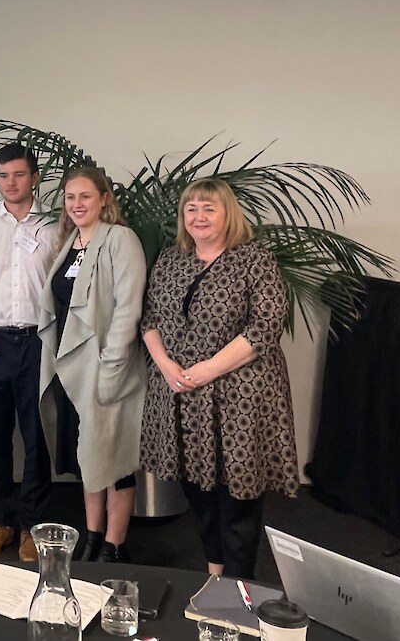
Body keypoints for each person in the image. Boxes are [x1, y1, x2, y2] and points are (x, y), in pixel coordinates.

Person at [140, 177, 299, 580]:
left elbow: (265, 327)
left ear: (228, 213)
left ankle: (239, 584)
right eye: (191, 208)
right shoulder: (171, 259)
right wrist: (167, 366)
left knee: (238, 495)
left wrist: (204, 371)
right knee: (197, 486)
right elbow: (150, 320)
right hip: (180, 393)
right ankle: (215, 571)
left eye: (209, 208)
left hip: (240, 397)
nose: (199, 216)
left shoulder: (254, 259)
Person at [38, 166, 147, 563]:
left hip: (105, 368)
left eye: (85, 196)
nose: (77, 204)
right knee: (89, 455)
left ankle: (115, 545)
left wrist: (112, 366)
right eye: (70, 197)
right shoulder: (70, 242)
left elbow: (128, 308)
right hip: (71, 369)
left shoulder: (121, 240)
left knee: (114, 457)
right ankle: (92, 535)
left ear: (104, 199)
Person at [0, 143, 56, 563]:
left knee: (37, 437)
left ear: (34, 177)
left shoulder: (56, 222)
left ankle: (31, 525)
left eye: (18, 175)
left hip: (40, 341)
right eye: (3, 176)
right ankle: (0, 521)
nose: (10, 183)